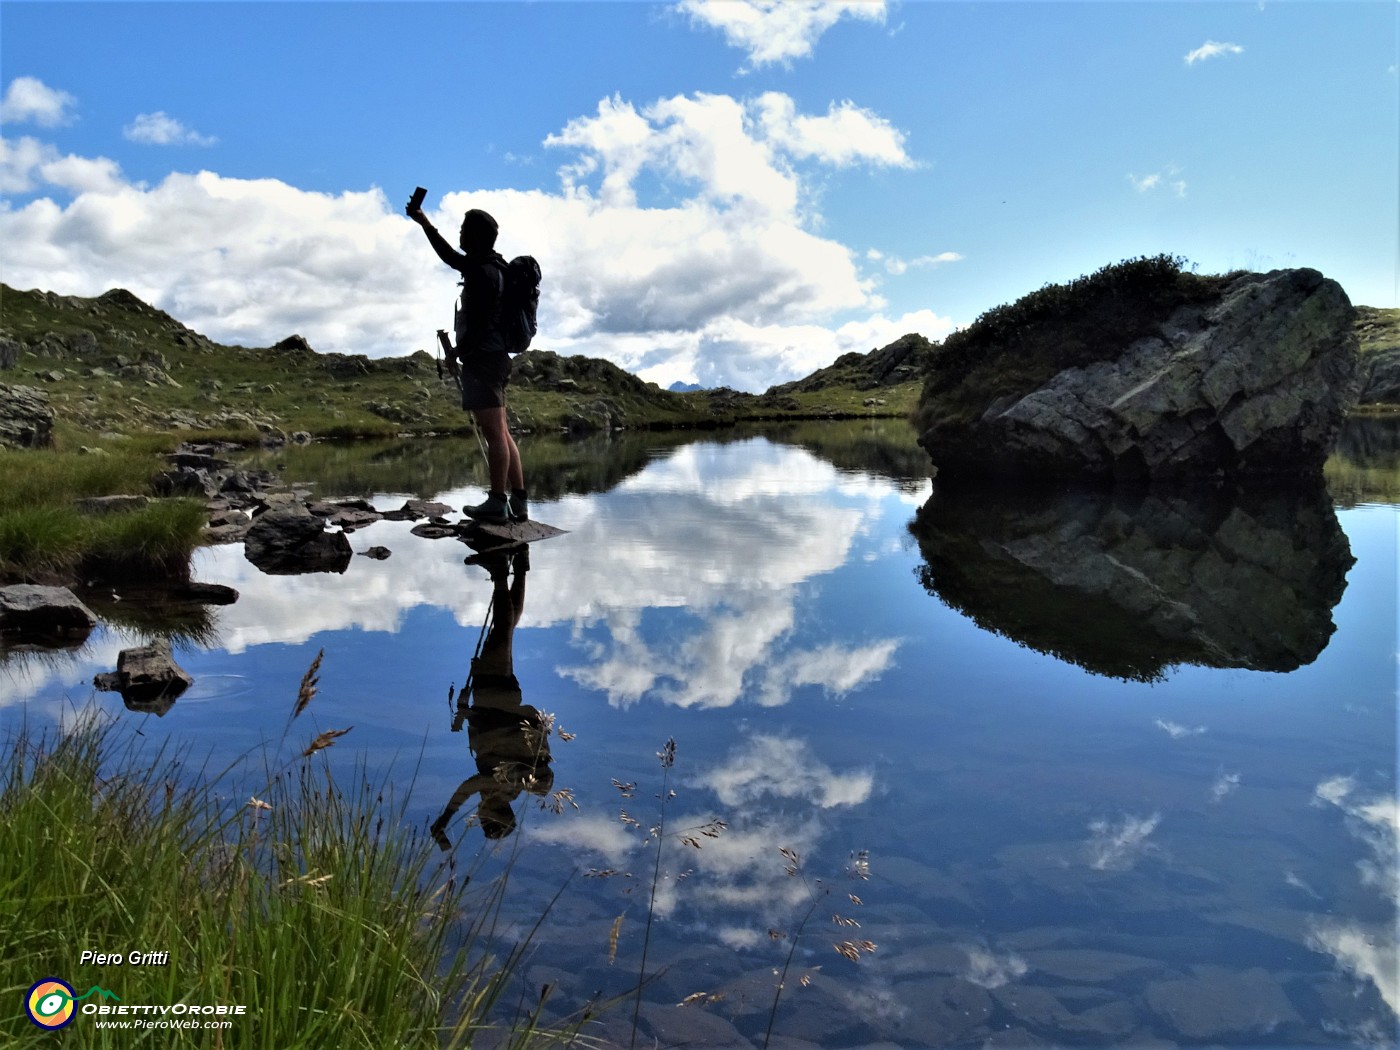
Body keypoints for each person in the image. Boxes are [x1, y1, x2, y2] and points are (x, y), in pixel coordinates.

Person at [406, 198, 527, 524]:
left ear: (474, 235)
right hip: (497, 358)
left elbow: (482, 319)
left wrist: (460, 352)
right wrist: (424, 222)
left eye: (462, 229)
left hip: (484, 361)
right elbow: (452, 259)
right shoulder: (495, 266)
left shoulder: (483, 271)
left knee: (494, 434)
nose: (459, 234)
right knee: (502, 431)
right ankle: (519, 499)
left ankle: (498, 502)